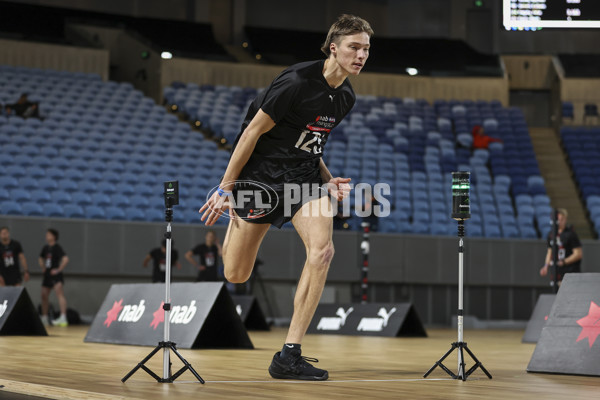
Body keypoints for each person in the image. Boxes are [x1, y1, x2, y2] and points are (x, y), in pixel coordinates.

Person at [199, 14, 373, 381]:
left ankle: (289, 354)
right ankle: (237, 222)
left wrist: (327, 179)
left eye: (366, 49)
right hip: (260, 180)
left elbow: (311, 143)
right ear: (333, 48)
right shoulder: (296, 82)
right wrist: (225, 188)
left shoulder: (345, 97)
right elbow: (250, 134)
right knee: (236, 272)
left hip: (303, 181)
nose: (361, 55)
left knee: (323, 251)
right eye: (354, 47)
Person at [540, 208, 583, 285]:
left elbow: (578, 254)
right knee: (557, 293)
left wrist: (564, 262)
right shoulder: (551, 234)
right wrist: (546, 266)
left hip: (570, 272)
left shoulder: (570, 234)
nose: (559, 222)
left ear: (565, 220)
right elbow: (550, 252)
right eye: (557, 219)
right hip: (557, 273)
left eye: (561, 219)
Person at [39, 229, 69, 326]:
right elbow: (40, 258)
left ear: (54, 236)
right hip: (47, 274)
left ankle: (63, 317)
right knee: (44, 295)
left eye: (49, 234)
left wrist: (58, 269)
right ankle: (44, 317)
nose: (47, 236)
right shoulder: (45, 248)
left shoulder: (57, 247)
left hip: (55, 275)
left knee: (59, 294)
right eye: (46, 234)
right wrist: (43, 267)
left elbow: (65, 259)